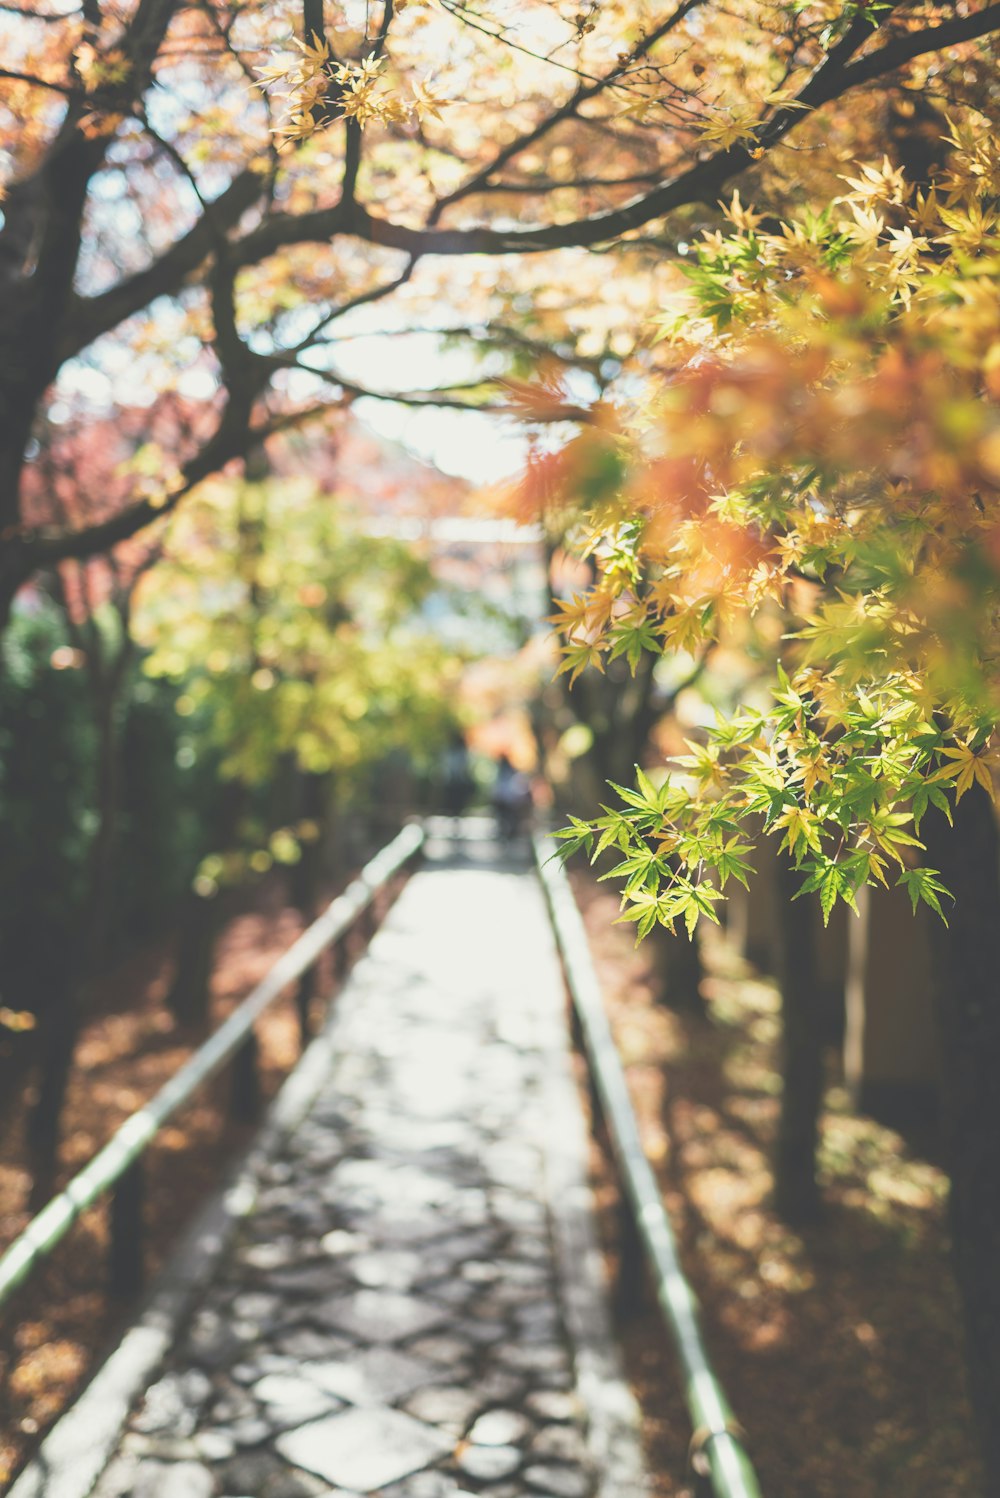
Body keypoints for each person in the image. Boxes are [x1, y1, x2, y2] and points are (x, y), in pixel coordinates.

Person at [492, 753, 532, 842]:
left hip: (504, 799)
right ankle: (508, 833)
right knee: (509, 819)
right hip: (509, 800)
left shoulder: (501, 771)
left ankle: (506, 833)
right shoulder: (508, 771)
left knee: (505, 819)